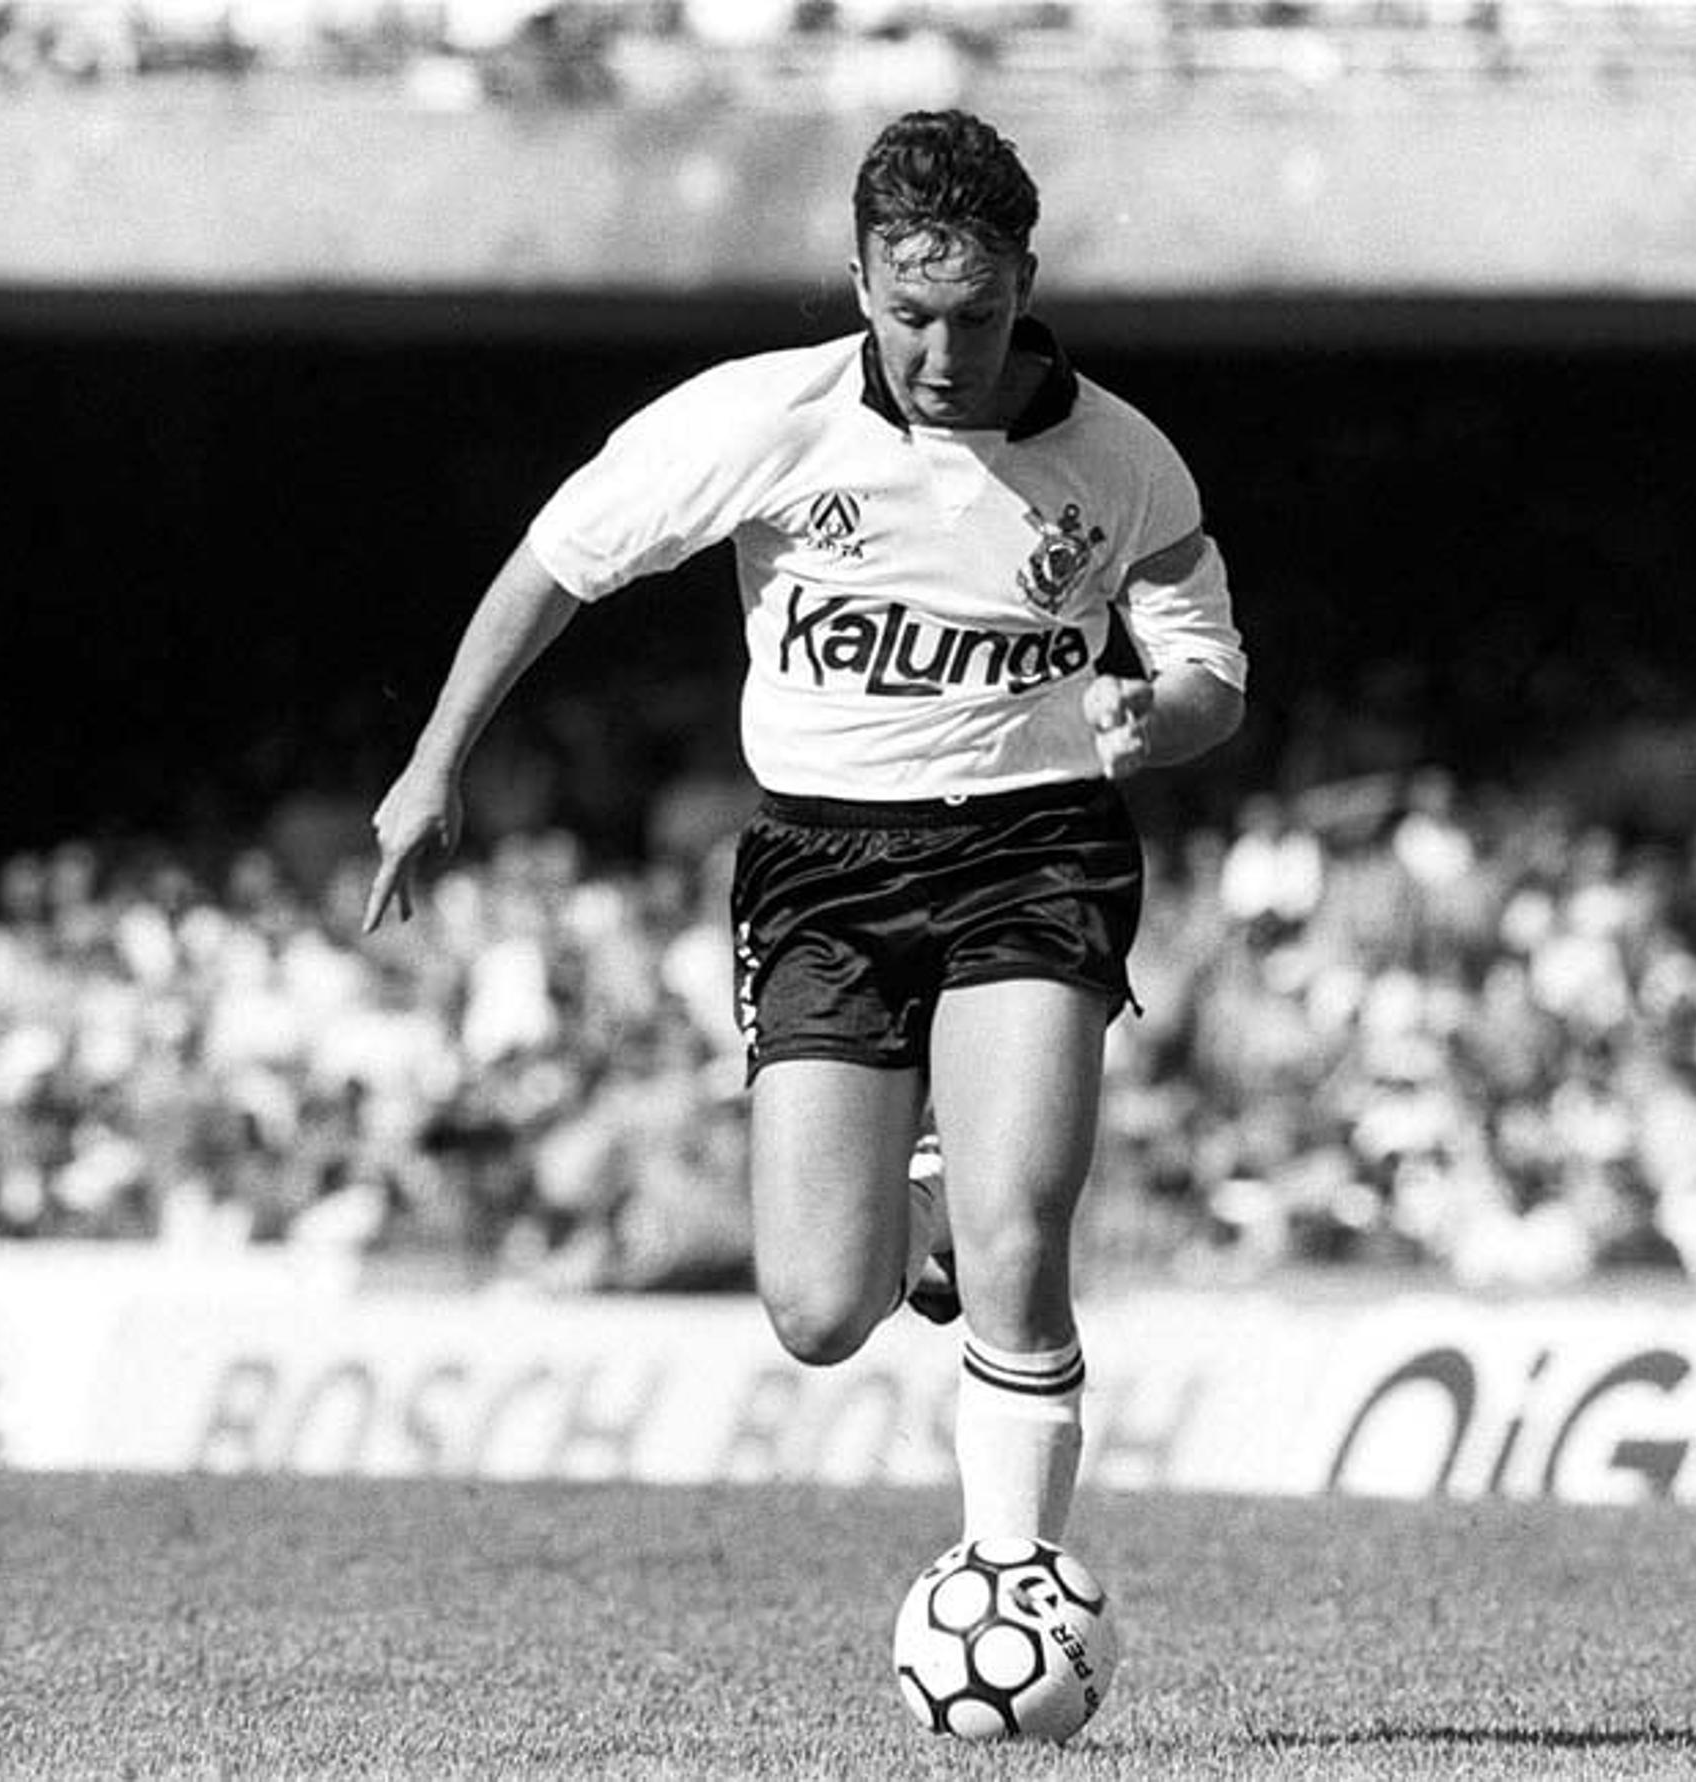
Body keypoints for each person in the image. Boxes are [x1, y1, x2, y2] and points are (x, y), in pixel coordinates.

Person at [365, 110, 1247, 1549]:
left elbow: (1209, 665)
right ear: (859, 286)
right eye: (910, 313)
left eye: (974, 312)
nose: (943, 351)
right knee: (820, 1311)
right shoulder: (758, 418)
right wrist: (432, 761)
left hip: (1034, 850)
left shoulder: (1123, 460)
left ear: (1025, 279)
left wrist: (1168, 717)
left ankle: (1013, 1570)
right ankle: (918, 1209)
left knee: (1023, 1227)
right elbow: (557, 561)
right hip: (821, 868)